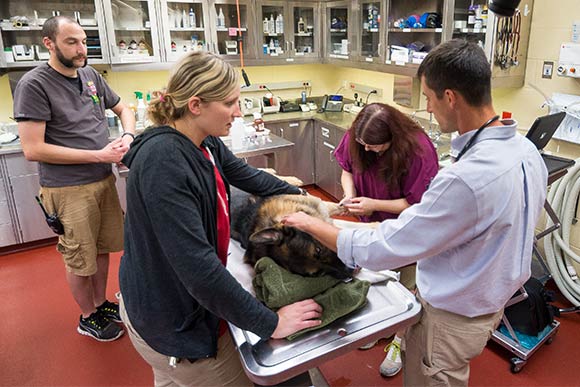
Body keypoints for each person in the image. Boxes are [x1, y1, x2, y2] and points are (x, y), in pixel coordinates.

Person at [282, 39, 548, 386]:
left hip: (451, 319)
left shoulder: (464, 178)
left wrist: (314, 225)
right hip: (492, 304)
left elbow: (386, 246)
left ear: (450, 97)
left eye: (429, 97)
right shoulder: (526, 151)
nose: (428, 106)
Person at [118, 51, 322, 387]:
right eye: (230, 103)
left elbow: (243, 174)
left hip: (162, 311)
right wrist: (270, 323)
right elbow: (198, 269)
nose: (239, 111)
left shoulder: (202, 140)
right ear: (196, 105)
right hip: (173, 322)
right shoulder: (164, 162)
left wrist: (299, 196)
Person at [13, 16, 135, 342]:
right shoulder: (34, 84)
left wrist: (127, 136)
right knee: (80, 257)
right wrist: (99, 155)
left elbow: (125, 108)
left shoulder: (90, 76)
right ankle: (86, 317)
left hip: (102, 180)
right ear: (49, 44)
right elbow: (32, 148)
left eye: (83, 41)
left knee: (102, 248)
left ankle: (100, 303)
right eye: (72, 42)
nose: (82, 49)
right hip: (67, 189)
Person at [334, 102, 439, 377]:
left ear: (392, 138)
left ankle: (399, 341)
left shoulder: (418, 150)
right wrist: (350, 195)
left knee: (405, 289)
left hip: (407, 229)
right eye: (362, 144)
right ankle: (380, 328)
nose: (366, 150)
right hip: (371, 224)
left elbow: (418, 204)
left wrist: (373, 203)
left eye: (374, 146)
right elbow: (347, 168)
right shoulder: (360, 135)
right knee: (375, 280)